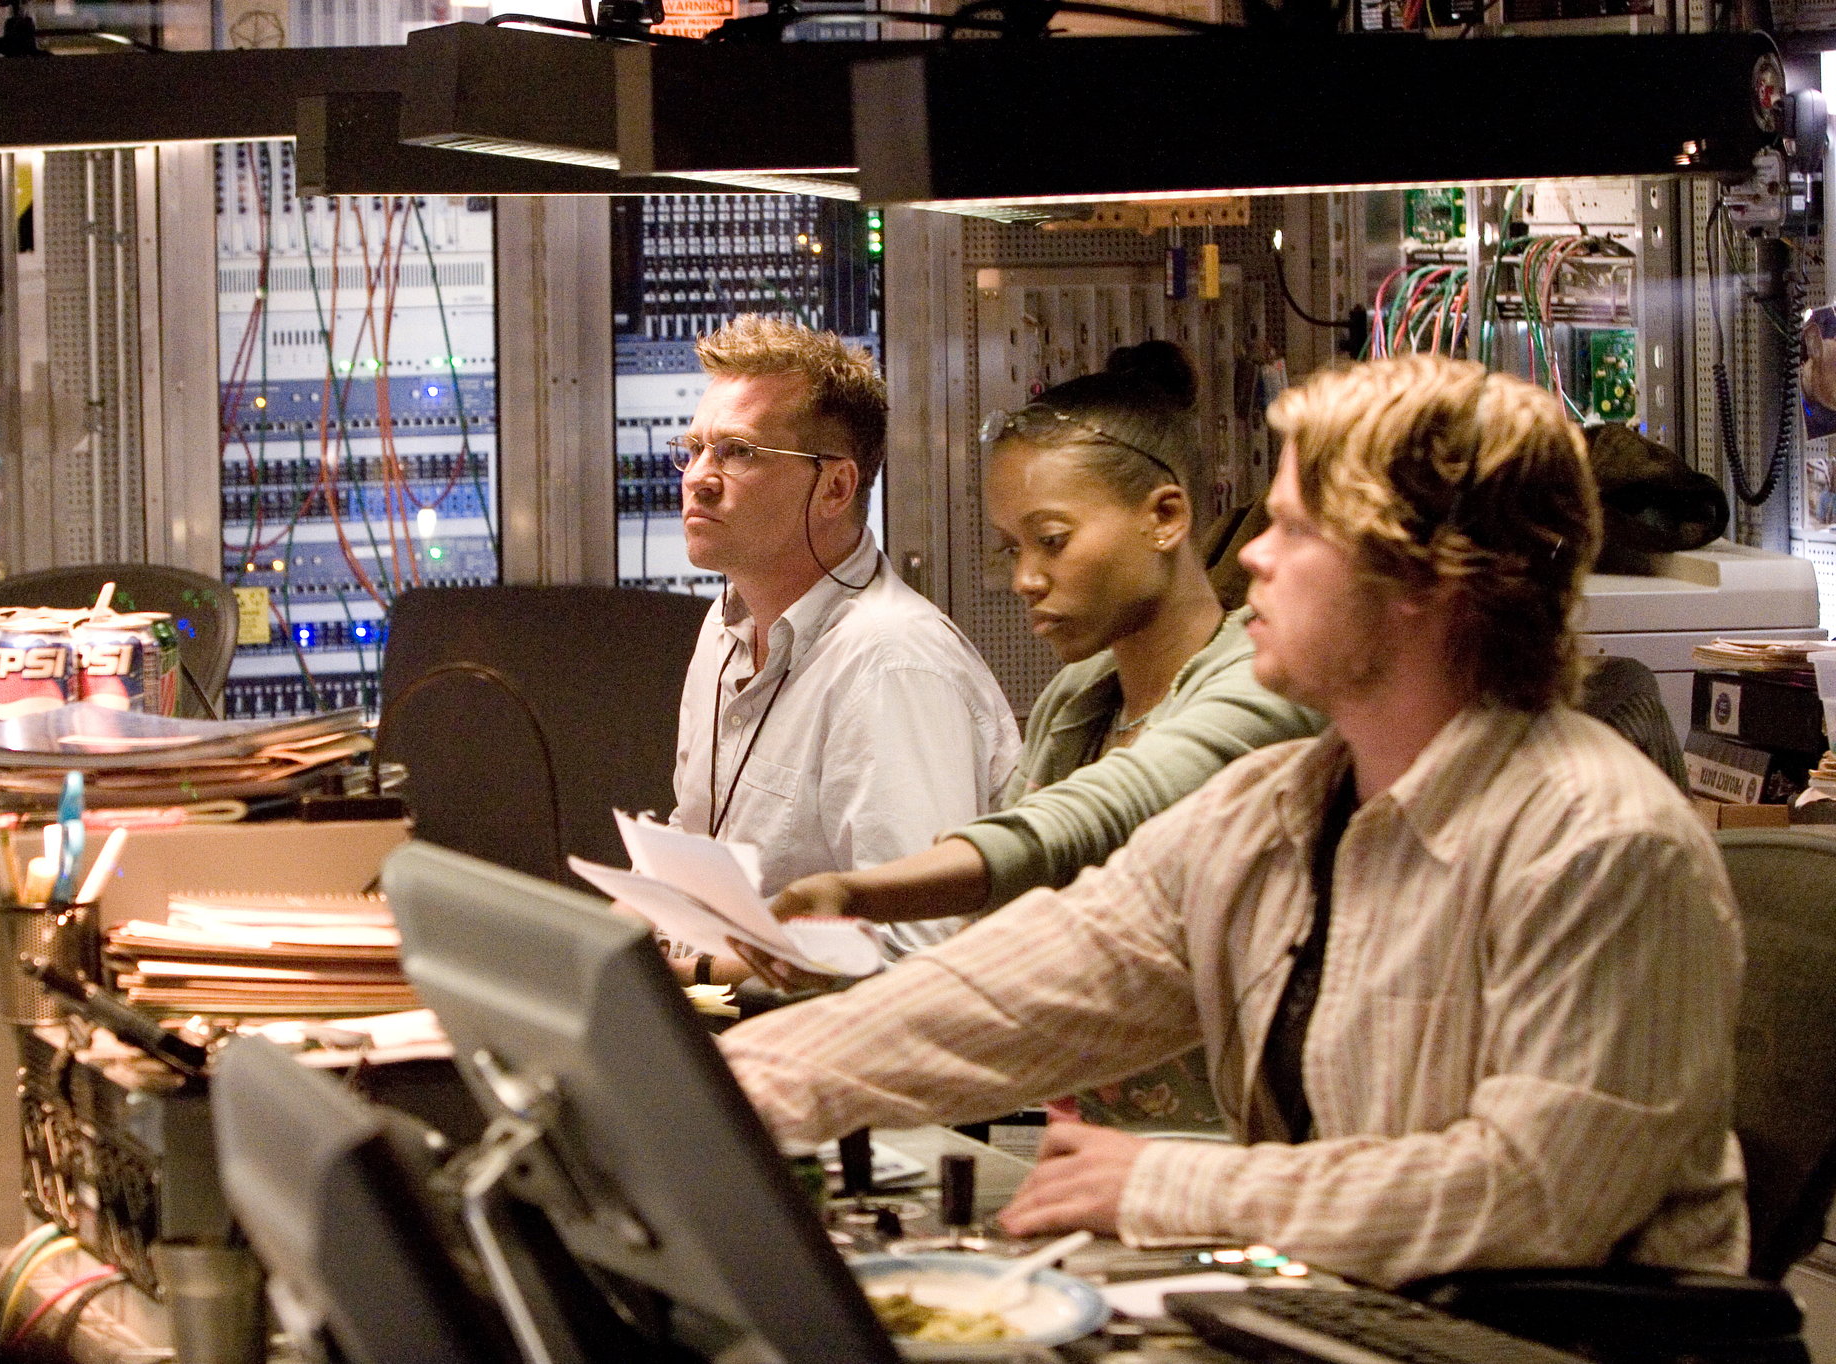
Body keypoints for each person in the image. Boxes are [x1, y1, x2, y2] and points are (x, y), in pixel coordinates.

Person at [722, 355, 1746, 1288]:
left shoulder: (1599, 844)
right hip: (1354, 1312)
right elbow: (1023, 990)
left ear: (1422, 577)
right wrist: (740, 1088)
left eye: (1295, 530)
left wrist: (1165, 1184)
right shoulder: (1278, 811)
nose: (1252, 555)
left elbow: (1531, 1197)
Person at [768, 344, 1319, 984]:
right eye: (1013, 549)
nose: (1025, 579)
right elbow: (999, 929)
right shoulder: (1078, 695)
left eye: (1052, 540)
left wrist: (860, 893)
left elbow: (1094, 814)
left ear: (1165, 516)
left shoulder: (1265, 678)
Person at [666, 315, 1020, 980]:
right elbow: (698, 848)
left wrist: (695, 976)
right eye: (694, 449)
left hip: (838, 1035)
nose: (699, 478)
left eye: (738, 452)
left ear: (835, 487)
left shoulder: (892, 663)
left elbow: (913, 951)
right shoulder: (726, 626)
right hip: (728, 1016)